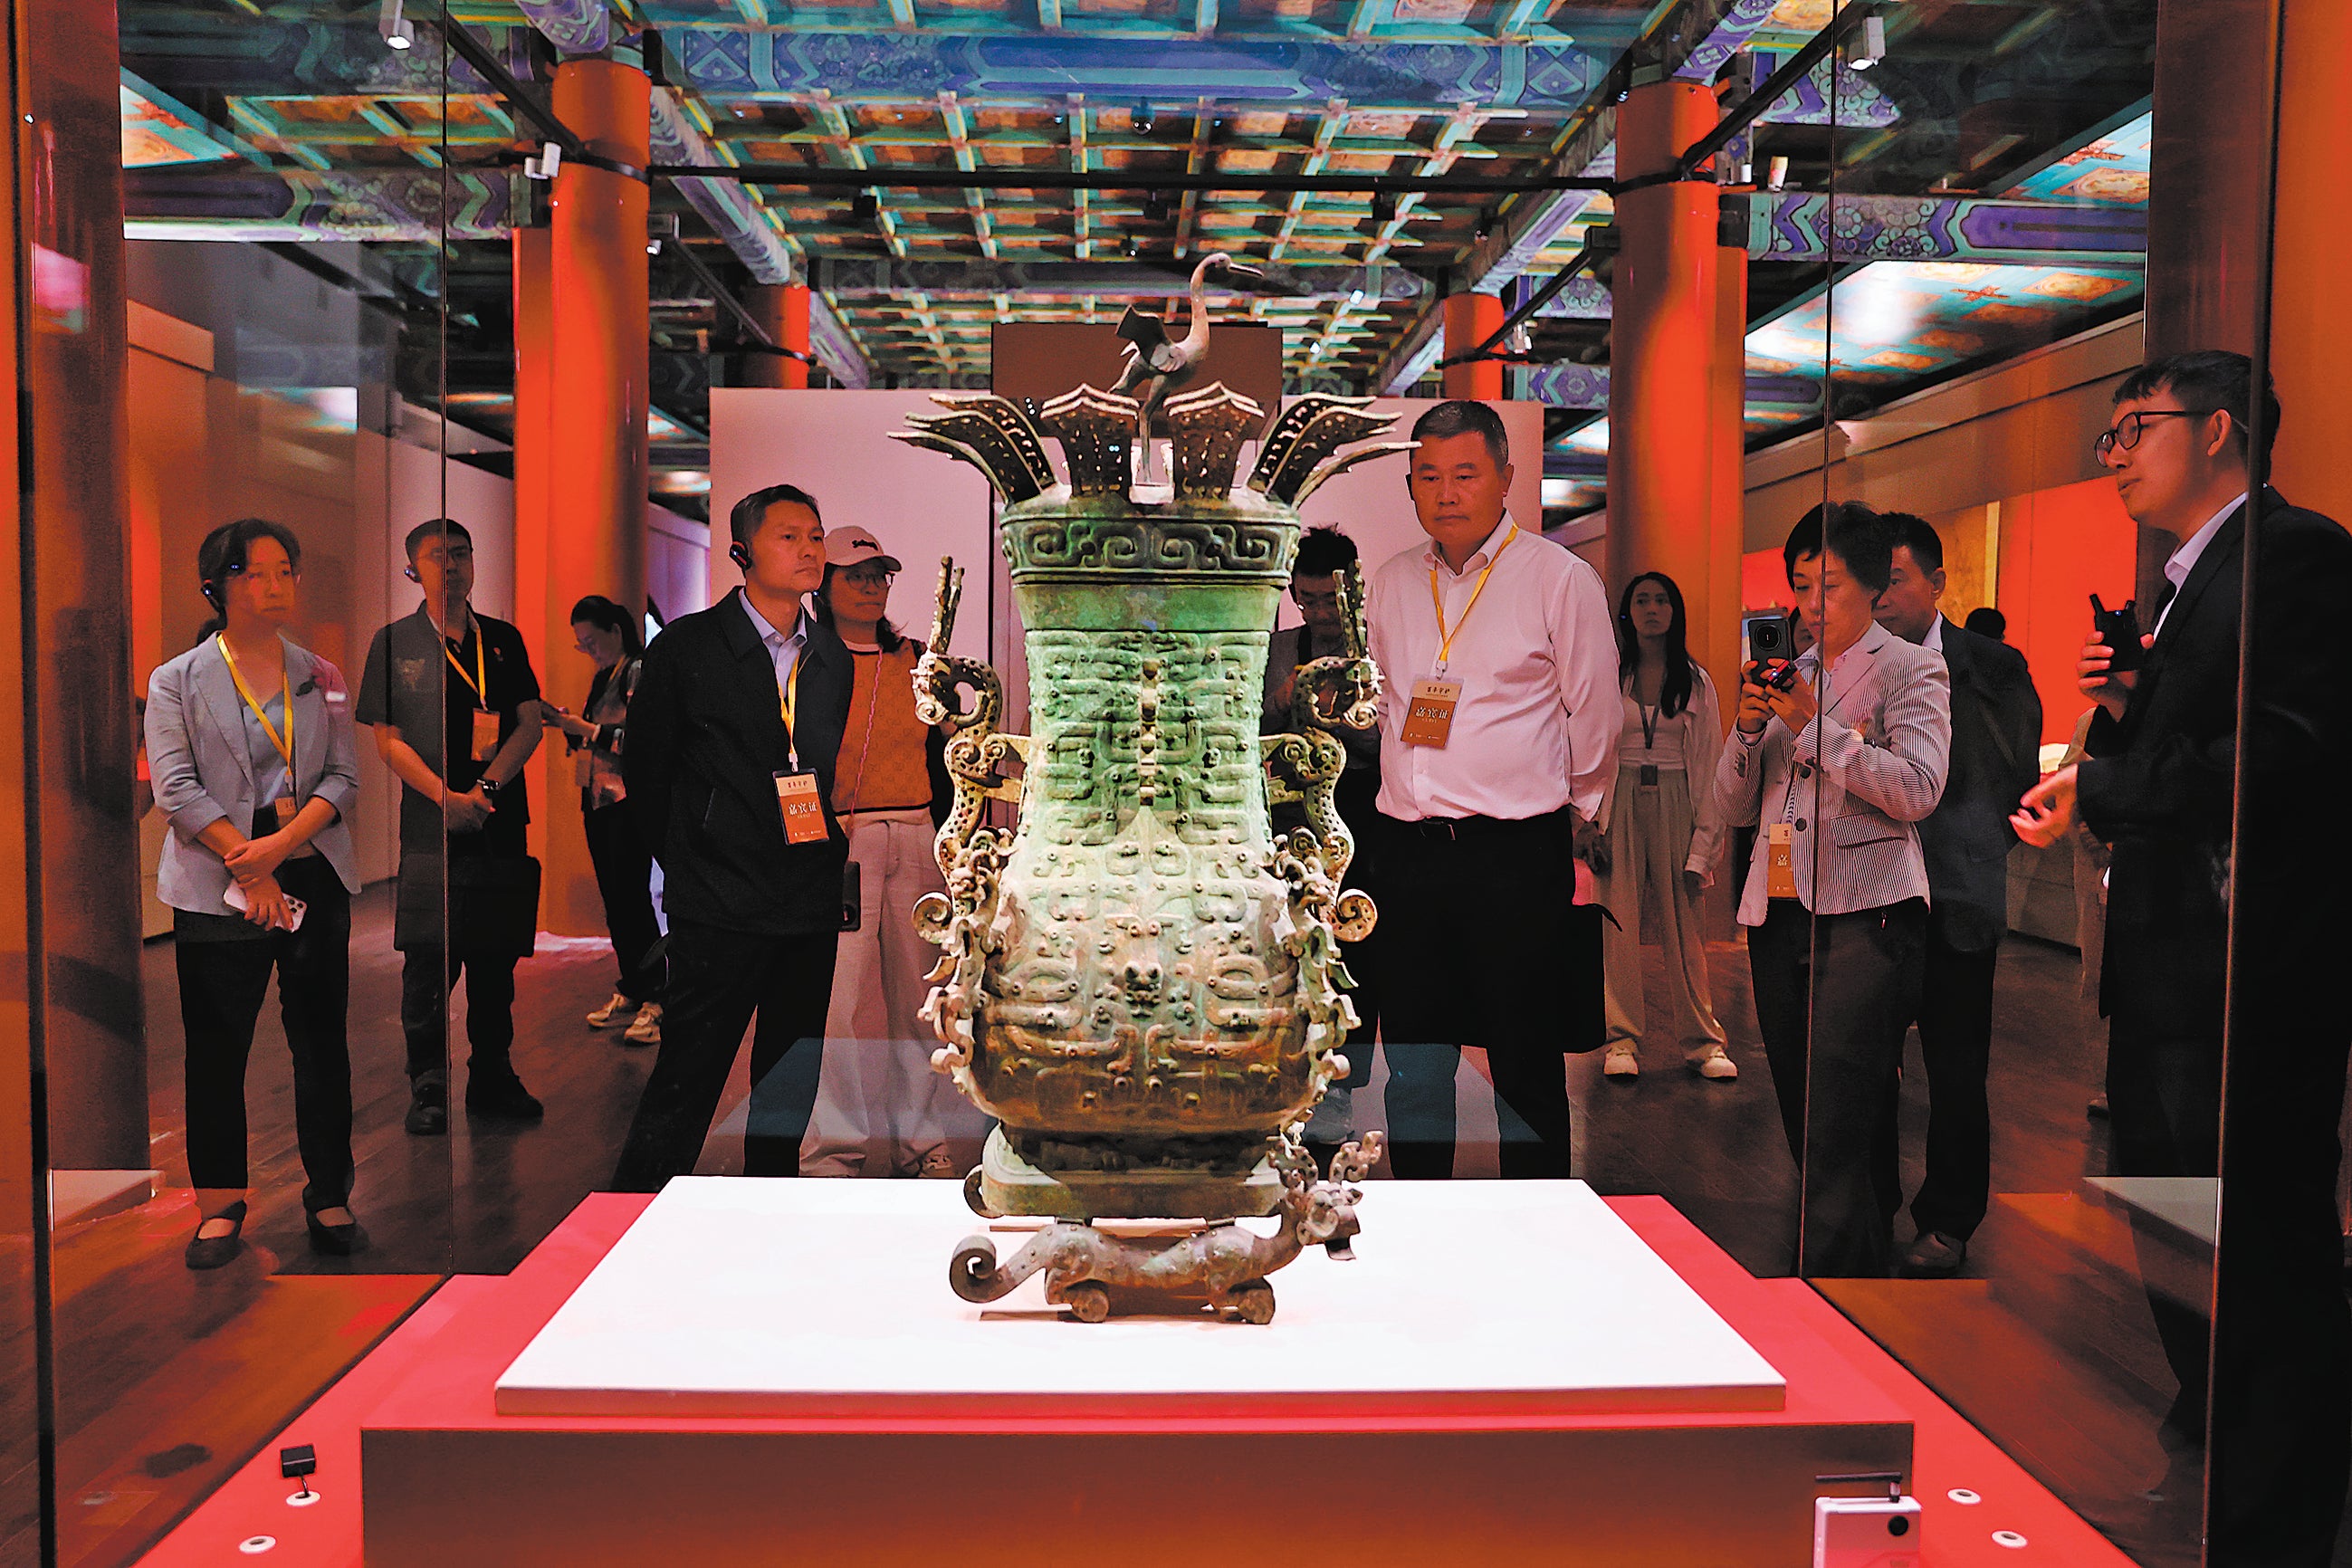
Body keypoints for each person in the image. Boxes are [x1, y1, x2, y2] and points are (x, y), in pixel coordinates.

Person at [2013, 350, 2352, 1566]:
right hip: (2176, 966)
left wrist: (2101, 779)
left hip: (2244, 967)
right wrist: (2134, 706)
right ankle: (2230, 1446)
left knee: (2257, 1238)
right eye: (2109, 435)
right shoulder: (2185, 583)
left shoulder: (2292, 555)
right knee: (2177, 1218)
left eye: (2130, 429)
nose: (2113, 456)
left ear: (2215, 432)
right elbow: (2216, 735)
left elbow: (2285, 759)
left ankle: (2280, 1502)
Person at [1365, 400, 1617, 1180]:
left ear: (1506, 477)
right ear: (1410, 486)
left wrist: (1570, 813)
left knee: (1523, 1060)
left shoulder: (1558, 578)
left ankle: (1541, 1230)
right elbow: (1386, 705)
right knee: (1414, 1060)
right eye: (1428, 476)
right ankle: (1418, 1226)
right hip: (1407, 853)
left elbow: (1596, 713)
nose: (1446, 492)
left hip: (1512, 853)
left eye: (1465, 474)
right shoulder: (1394, 580)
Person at [1716, 502, 1949, 1277]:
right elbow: (1731, 805)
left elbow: (1918, 789)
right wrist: (1749, 730)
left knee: (1840, 1112)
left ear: (1876, 588)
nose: (1812, 605)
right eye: (1801, 586)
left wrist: (1819, 729)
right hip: (1777, 909)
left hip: (1868, 917)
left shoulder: (1911, 666)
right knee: (1801, 1109)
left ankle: (1828, 1287)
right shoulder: (1790, 674)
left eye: (1832, 587)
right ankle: (1850, 1264)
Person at [609, 483, 853, 1190]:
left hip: (806, 895)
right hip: (718, 900)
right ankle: (634, 1213)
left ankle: (767, 1212)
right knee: (689, 1072)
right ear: (743, 553)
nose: (809, 549)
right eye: (789, 536)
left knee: (789, 1077)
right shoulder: (689, 646)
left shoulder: (829, 656)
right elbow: (646, 776)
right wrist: (696, 858)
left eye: (815, 535)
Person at [147, 519, 367, 1267]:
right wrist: (250, 864)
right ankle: (218, 1203)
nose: (275, 586)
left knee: (321, 1044)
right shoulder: (175, 679)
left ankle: (329, 1193)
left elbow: (343, 777)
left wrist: (276, 849)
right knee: (216, 1048)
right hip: (217, 886)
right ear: (219, 585)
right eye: (256, 573)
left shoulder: (323, 674)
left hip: (306, 871)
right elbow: (175, 788)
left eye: (285, 571)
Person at [1871, 516, 2041, 1276]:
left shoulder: (1992, 666)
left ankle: (1948, 1218)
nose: (1880, 595)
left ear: (1938, 584)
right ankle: (1867, 1203)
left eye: (1896, 578)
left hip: (1957, 898)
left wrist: (1973, 854)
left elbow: (2016, 778)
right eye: (1870, 579)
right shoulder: (1850, 664)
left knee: (1956, 1070)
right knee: (1865, 1062)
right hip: (1868, 895)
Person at [358, 519, 547, 1136]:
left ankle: (493, 1075)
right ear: (414, 569)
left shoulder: (504, 640)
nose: (455, 566)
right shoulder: (394, 642)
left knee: (496, 963)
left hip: (496, 820)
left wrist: (485, 790)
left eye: (463, 554)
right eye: (440, 557)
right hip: (429, 824)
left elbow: (528, 723)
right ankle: (429, 1086)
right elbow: (387, 740)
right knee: (427, 965)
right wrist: (444, 797)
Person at [798, 526, 961, 1179]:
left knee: (920, 1000)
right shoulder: (807, 661)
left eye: (879, 575)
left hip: (916, 832)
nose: (870, 586)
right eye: (856, 575)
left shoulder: (916, 659)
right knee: (835, 1004)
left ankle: (922, 1146)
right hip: (843, 840)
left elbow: (950, 751)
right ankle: (830, 1152)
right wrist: (816, 840)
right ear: (826, 585)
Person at [1262, 525, 1382, 1167]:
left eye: (1329, 601)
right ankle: (1289, 1086)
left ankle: (1346, 1088)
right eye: (1306, 600)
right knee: (1293, 952)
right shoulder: (1278, 649)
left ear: (1353, 593)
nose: (1318, 614)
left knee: (1358, 954)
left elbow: (1391, 745)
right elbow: (1251, 736)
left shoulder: (1377, 653)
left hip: (1366, 813)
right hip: (1291, 818)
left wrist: (1340, 718)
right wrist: (1285, 703)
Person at [1595, 571, 1733, 1083]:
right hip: (1620, 798)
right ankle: (1621, 1039)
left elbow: (1711, 761)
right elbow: (1590, 747)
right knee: (1619, 927)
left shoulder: (1695, 680)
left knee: (1686, 931)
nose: (1652, 608)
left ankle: (1703, 1042)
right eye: (1641, 600)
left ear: (1675, 612)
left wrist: (1703, 849)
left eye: (1661, 600)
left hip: (1677, 799)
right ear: (1627, 613)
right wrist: (1588, 820)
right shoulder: (1611, 675)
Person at [545, 595, 664, 1047]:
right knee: (616, 899)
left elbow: (642, 740)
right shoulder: (604, 676)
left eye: (591, 641)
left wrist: (587, 730)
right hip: (599, 798)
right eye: (582, 645)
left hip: (627, 801)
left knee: (631, 898)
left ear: (616, 631)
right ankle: (634, 985)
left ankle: (657, 993)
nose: (589, 651)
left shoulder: (638, 669)